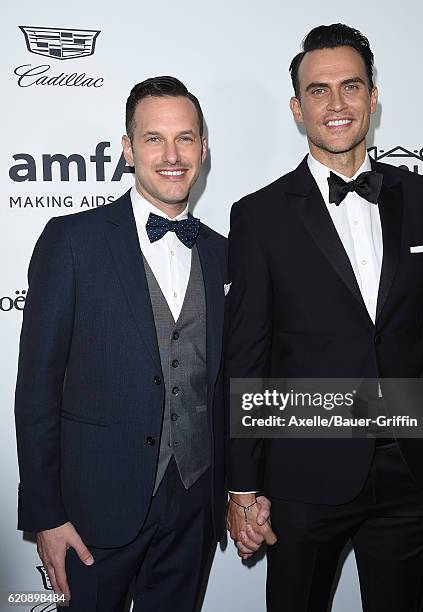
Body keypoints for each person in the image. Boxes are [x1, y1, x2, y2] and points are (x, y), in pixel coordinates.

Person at [226, 24, 423, 612]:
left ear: (373, 96)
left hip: (413, 473)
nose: (336, 104)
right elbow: (247, 355)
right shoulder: (259, 216)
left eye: (350, 86)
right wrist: (244, 484)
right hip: (305, 477)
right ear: (296, 108)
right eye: (318, 91)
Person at [15, 76, 228, 611]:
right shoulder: (72, 240)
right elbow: (36, 388)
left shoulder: (227, 254)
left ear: (203, 148)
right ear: (129, 149)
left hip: (194, 504)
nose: (173, 155)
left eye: (185, 138)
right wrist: (46, 514)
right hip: (90, 513)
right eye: (154, 139)